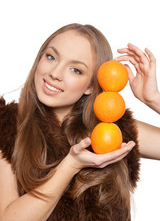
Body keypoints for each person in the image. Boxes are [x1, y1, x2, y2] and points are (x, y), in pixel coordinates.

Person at [0, 23, 157, 221]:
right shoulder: (7, 125)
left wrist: (154, 99)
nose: (55, 73)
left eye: (75, 69)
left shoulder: (113, 129)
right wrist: (71, 164)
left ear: (91, 85)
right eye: (51, 57)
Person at [116, 43, 160, 160]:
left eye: (76, 70)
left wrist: (155, 100)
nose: (59, 73)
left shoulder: (110, 130)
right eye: (59, 60)